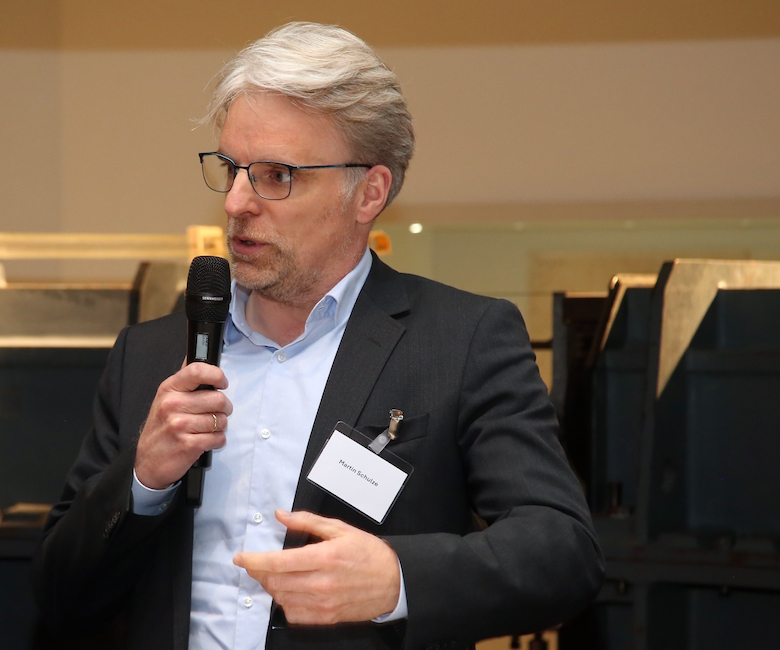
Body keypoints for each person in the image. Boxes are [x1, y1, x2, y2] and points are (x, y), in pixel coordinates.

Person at [33, 21, 604, 650]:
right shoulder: (149, 356)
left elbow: (562, 550)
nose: (237, 203)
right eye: (231, 169)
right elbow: (59, 595)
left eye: (277, 175)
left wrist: (398, 580)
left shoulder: (461, 341)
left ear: (369, 193)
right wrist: (142, 481)